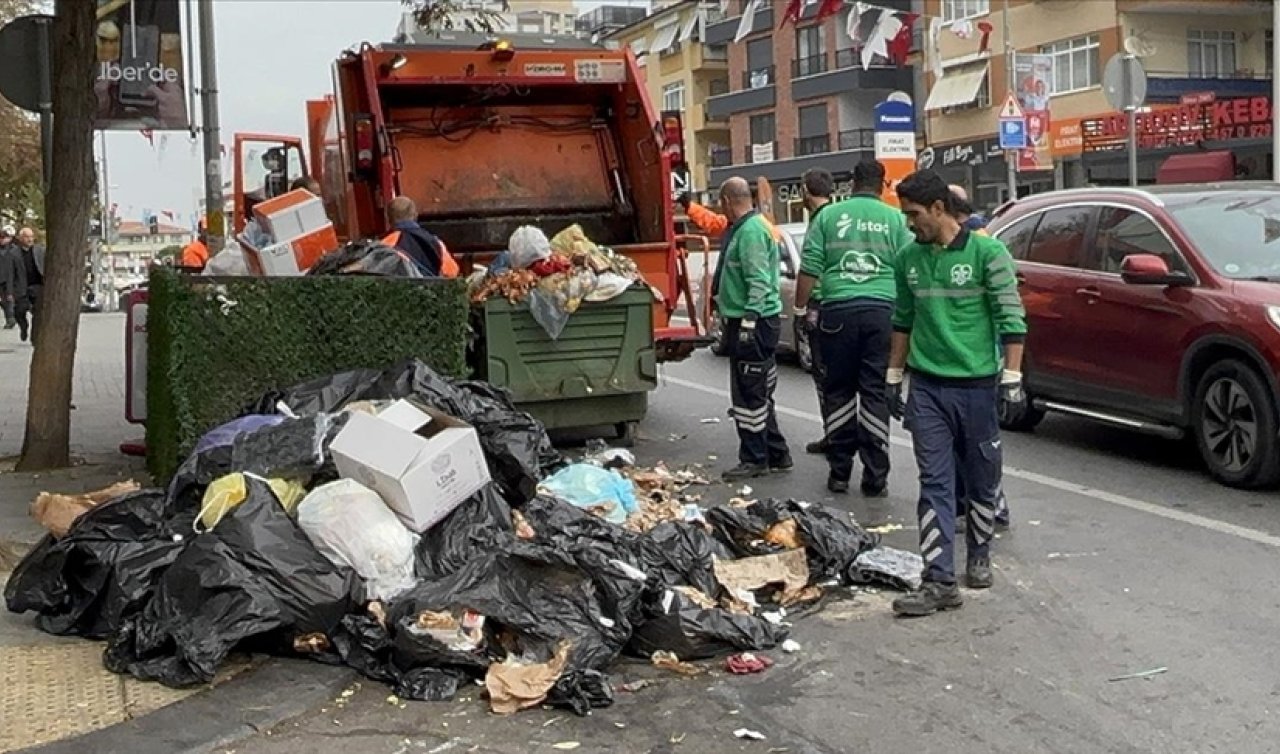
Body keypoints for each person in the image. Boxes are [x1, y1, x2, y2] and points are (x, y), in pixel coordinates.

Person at [886, 170, 1027, 617]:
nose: (909, 223)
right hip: (927, 386)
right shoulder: (908, 258)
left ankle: (979, 554)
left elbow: (1011, 318)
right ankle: (939, 579)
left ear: (939, 209)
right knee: (935, 484)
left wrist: (1013, 379)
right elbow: (902, 320)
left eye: (913, 214)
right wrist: (893, 376)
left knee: (983, 479)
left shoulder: (989, 254)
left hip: (977, 387)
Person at [795, 160, 912, 496]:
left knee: (839, 392)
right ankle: (876, 477)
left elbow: (810, 266)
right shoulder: (895, 219)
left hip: (838, 313)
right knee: (875, 392)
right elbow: (907, 269)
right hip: (882, 313)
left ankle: (840, 473)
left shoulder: (829, 216)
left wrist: (801, 310)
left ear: (851, 183)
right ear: (883, 185)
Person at [715, 176, 791, 481]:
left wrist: (748, 321)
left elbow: (758, 280)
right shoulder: (751, 227)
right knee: (759, 391)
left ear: (727, 201)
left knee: (749, 396)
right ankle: (777, 452)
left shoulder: (749, 232)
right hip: (755, 320)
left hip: (752, 321)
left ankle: (754, 458)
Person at [795, 169, 835, 455]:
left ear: (806, 191)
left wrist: (800, 308)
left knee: (824, 374)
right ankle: (836, 431)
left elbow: (809, 268)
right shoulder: (835, 216)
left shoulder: (821, 221)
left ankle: (834, 433)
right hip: (838, 304)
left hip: (821, 304)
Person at [382, 196, 459, 278]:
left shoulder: (385, 245)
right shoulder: (436, 242)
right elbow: (451, 273)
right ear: (415, 215)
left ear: (388, 218)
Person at [9, 228, 45, 344]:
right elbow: (10, 273)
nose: (29, 239)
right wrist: (10, 292)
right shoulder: (13, 253)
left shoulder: (40, 250)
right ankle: (23, 327)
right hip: (21, 287)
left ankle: (35, 337)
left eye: (31, 236)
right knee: (19, 311)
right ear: (20, 238)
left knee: (38, 313)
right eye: (26, 236)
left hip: (37, 286)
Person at [0, 225, 16, 329]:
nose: (2, 239)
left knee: (8, 300)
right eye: (1, 237)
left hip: (8, 279)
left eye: (5, 237)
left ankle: (10, 319)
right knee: (3, 301)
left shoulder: (14, 250)